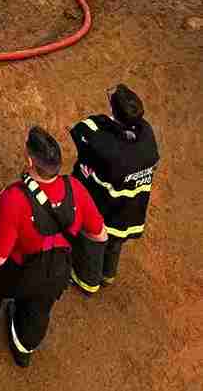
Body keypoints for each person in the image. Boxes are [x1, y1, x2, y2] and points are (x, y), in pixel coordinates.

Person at [0, 126, 106, 368]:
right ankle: (23, 349)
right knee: (39, 308)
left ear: (29, 160)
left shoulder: (15, 199)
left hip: (21, 273)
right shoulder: (75, 189)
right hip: (57, 274)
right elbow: (99, 234)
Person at [70, 85, 159, 292]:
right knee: (116, 242)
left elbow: (82, 130)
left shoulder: (103, 143)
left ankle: (88, 282)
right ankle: (107, 274)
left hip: (106, 210)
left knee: (93, 244)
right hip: (132, 211)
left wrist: (108, 124)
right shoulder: (147, 136)